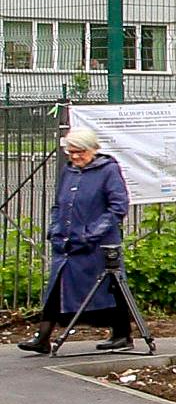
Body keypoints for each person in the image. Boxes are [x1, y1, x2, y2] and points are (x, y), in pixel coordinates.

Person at [26, 125, 137, 353]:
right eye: (71, 152)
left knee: (110, 287)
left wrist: (91, 233)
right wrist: (55, 230)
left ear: (93, 150)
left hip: (98, 246)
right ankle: (42, 337)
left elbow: (118, 207)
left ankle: (122, 334)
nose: (75, 156)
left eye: (80, 152)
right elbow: (59, 205)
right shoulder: (69, 171)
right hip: (67, 243)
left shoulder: (108, 170)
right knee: (57, 286)